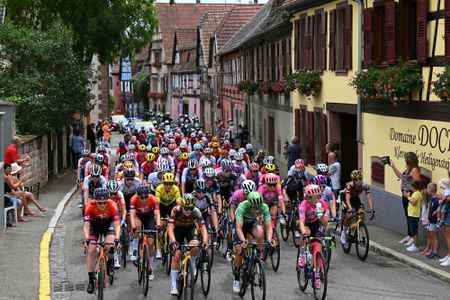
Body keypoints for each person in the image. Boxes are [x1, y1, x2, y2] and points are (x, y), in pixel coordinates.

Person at [232, 192, 274, 293]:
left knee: (260, 234)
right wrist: (242, 240)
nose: (257, 210)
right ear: (249, 204)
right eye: (254, 208)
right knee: (240, 250)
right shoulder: (242, 206)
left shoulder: (264, 207)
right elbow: (238, 228)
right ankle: (237, 278)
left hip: (251, 223)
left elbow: (269, 226)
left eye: (258, 208)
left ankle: (258, 257)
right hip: (240, 225)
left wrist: (269, 239)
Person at [167, 194, 208, 295]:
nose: (188, 211)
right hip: (177, 230)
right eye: (186, 208)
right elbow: (170, 228)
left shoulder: (196, 212)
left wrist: (206, 240)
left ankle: (192, 263)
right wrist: (173, 241)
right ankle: (173, 284)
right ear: (181, 205)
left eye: (190, 208)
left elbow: (203, 228)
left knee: (195, 244)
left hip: (190, 229)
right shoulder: (175, 210)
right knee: (176, 255)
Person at [83, 187, 121, 294]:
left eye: (105, 202)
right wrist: (86, 239)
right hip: (94, 226)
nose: (103, 205)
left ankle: (110, 262)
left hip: (108, 225)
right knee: (91, 251)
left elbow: (117, 225)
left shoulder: (112, 205)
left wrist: (117, 238)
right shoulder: (89, 206)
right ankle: (91, 280)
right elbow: (86, 226)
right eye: (100, 203)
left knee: (110, 246)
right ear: (95, 201)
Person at [129, 185, 161, 280]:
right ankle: (135, 250)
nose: (143, 199)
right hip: (138, 216)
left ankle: (150, 268)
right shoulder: (133, 199)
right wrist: (133, 227)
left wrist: (158, 225)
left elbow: (157, 214)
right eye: (141, 197)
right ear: (137, 195)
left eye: (145, 197)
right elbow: (131, 215)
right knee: (137, 226)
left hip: (149, 217)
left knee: (151, 243)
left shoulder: (153, 199)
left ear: (149, 195)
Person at [389, 152, 421, 245]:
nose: (405, 161)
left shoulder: (414, 170)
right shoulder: (408, 169)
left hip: (410, 196)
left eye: (406, 159)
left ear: (409, 160)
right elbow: (400, 176)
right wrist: (393, 166)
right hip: (405, 196)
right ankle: (409, 235)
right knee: (407, 216)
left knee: (411, 217)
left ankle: (413, 237)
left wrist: (411, 194)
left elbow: (417, 183)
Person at [340, 170, 375, 245]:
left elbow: (368, 197)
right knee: (349, 215)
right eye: (356, 179)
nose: (358, 181)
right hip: (345, 198)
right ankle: (344, 233)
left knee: (361, 212)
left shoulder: (365, 185)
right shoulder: (349, 185)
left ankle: (360, 230)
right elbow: (347, 198)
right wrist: (350, 209)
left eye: (360, 178)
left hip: (355, 198)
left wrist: (372, 209)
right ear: (353, 180)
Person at [403, 180, 422, 252]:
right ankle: (414, 244)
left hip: (414, 215)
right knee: (413, 230)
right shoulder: (416, 193)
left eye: (411, 186)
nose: (410, 187)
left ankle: (416, 245)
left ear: (413, 187)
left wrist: (408, 197)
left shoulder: (416, 194)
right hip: (412, 214)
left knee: (414, 231)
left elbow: (414, 202)